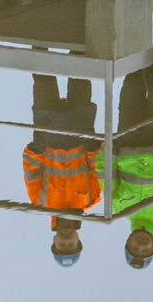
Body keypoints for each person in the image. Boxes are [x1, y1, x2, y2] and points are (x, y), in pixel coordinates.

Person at [22, 75, 102, 267]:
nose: (66, 240)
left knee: (44, 78)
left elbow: (31, 170)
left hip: (48, 134)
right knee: (81, 76)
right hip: (80, 131)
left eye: (62, 245)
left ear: (54, 240)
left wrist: (38, 149)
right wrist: (92, 147)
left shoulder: (40, 203)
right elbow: (97, 167)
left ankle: (41, 53)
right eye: (70, 245)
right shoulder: (91, 199)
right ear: (78, 240)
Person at [112, 67, 153, 270]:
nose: (141, 246)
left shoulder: (117, 210)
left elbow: (104, 174)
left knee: (132, 85)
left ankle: (136, 51)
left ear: (128, 241)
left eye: (135, 248)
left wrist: (108, 151)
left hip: (128, 140)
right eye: (146, 250)